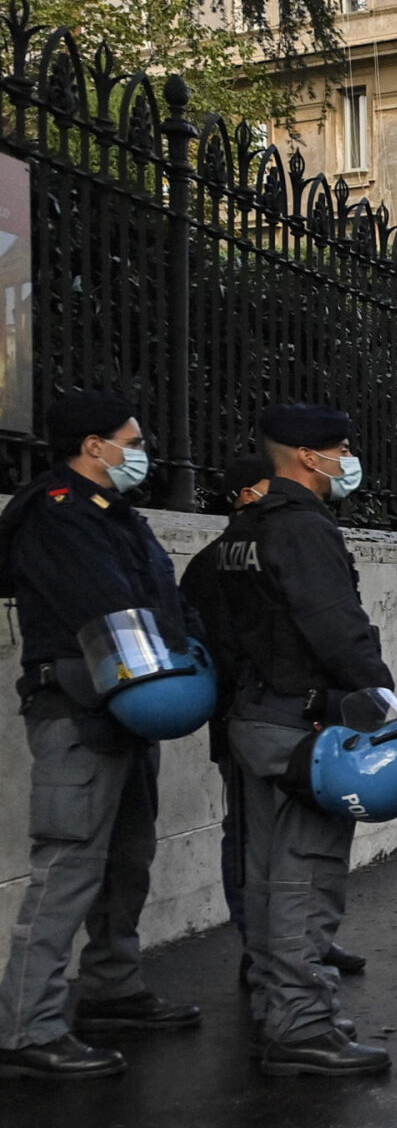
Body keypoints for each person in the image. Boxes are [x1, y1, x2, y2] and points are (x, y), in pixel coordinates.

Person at [0, 393, 203, 1079]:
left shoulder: (112, 513)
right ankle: (27, 1028)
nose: (140, 450)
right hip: (79, 710)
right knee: (67, 867)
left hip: (131, 703)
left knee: (126, 858)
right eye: (132, 439)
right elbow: (108, 607)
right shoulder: (55, 512)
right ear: (93, 445)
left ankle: (113, 986)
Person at [213, 404, 393, 1076]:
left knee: (263, 876)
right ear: (307, 456)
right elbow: (336, 628)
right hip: (305, 725)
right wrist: (385, 703)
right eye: (340, 449)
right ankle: (302, 1025)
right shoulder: (302, 528)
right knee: (304, 879)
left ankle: (274, 1007)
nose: (347, 459)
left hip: (256, 715)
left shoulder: (244, 528)